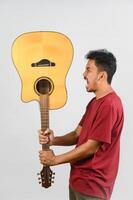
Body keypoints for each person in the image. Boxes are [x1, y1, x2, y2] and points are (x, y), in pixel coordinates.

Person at [39, 49, 124, 200]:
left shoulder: (110, 105)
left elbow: (92, 146)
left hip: (94, 186)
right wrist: (54, 140)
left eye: (88, 70)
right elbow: (77, 134)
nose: (84, 75)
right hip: (78, 181)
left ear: (101, 76)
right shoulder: (95, 102)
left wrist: (54, 160)